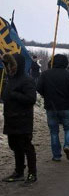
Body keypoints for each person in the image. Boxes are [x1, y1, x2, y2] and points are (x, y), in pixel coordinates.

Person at [1, 54, 38, 185]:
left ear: (17, 65)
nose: (9, 68)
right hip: (11, 119)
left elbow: (31, 99)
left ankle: (32, 174)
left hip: (23, 119)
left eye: (11, 65)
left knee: (26, 146)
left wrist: (14, 95)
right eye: (8, 65)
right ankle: (19, 171)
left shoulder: (27, 80)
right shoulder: (10, 79)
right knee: (15, 146)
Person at [37, 54, 69, 162]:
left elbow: (39, 88)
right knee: (68, 128)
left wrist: (47, 95)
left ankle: (56, 155)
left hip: (51, 106)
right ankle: (67, 145)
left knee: (54, 132)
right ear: (65, 63)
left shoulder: (45, 74)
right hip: (67, 106)